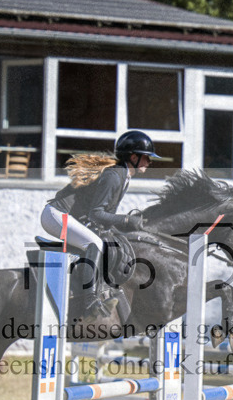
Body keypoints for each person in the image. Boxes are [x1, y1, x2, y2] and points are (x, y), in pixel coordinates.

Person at [40, 129, 160, 318]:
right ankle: (90, 302)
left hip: (67, 217)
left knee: (109, 242)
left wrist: (124, 226)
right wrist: (127, 220)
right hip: (56, 215)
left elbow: (104, 216)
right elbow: (96, 214)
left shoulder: (123, 176)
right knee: (94, 244)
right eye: (146, 157)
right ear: (134, 156)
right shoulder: (114, 176)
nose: (149, 162)